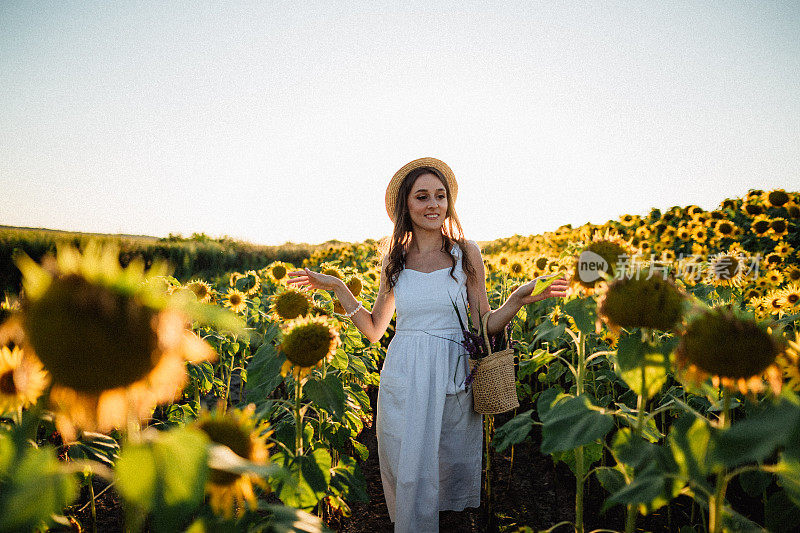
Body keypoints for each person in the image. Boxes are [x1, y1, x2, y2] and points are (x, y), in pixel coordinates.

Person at [287, 157, 568, 532]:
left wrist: (515, 300)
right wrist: (339, 288)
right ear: (406, 205)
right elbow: (373, 330)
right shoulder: (394, 259)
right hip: (404, 372)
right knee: (408, 468)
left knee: (448, 470)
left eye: (440, 196)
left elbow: (483, 323)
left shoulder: (465, 252)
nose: (433, 204)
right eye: (422, 196)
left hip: (452, 372)